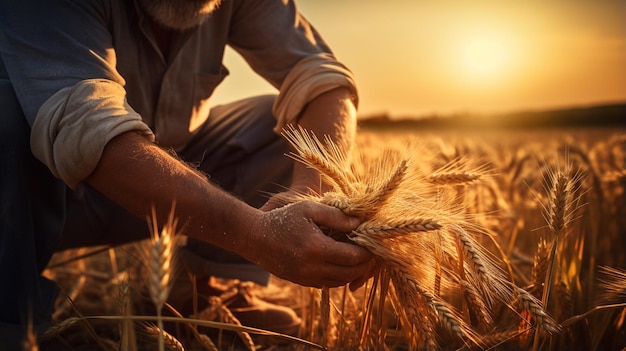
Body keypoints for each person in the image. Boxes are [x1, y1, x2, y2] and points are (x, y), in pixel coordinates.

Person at [0, 0, 374, 347]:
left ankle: (201, 293)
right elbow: (87, 127)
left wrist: (311, 190)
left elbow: (322, 77)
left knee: (278, 128)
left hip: (165, 180)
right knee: (9, 120)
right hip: (48, 194)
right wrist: (255, 234)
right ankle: (13, 320)